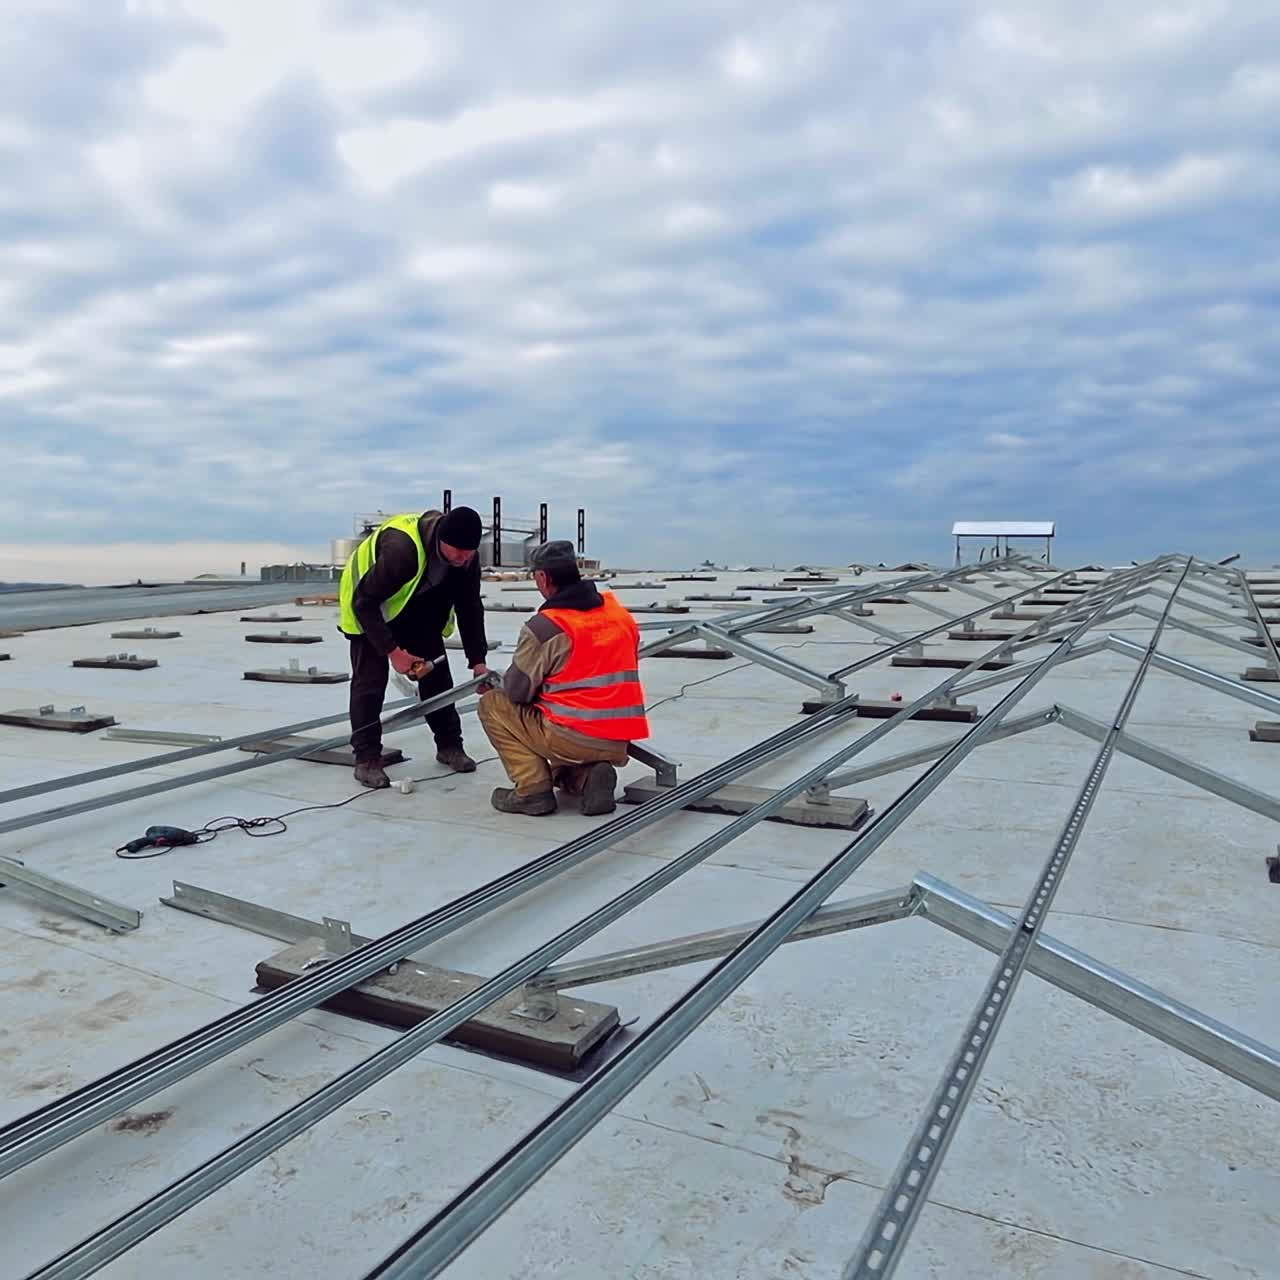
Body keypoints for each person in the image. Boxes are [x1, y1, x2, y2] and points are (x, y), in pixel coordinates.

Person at [477, 539, 649, 816]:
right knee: (553, 729)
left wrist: (503, 682)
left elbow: (518, 694)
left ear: (543, 577)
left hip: (571, 735)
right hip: (618, 739)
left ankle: (532, 791)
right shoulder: (618, 615)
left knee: (493, 705)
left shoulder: (546, 626)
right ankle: (586, 778)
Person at [339, 507, 491, 789]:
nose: (462, 558)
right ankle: (367, 759)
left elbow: (470, 607)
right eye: (456, 551)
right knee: (370, 684)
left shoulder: (467, 559)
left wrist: (477, 661)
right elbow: (364, 602)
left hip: (414, 611)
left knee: (438, 678)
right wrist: (392, 652)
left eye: (468, 552)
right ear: (440, 539)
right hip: (368, 611)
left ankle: (449, 746)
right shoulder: (403, 551)